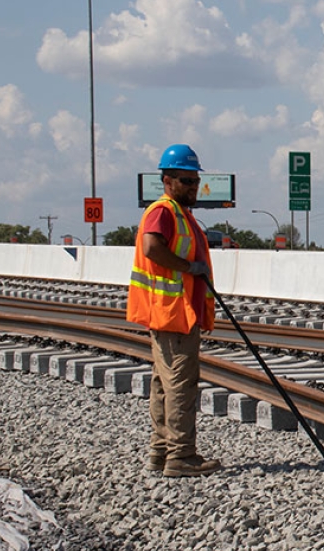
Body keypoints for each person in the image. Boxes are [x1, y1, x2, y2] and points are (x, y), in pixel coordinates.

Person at [127, 143, 221, 478]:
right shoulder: (163, 212)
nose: (193, 187)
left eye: (195, 181)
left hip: (176, 312)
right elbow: (153, 248)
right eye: (186, 181)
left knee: (164, 384)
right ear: (167, 181)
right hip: (172, 313)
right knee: (180, 384)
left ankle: (160, 452)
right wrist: (188, 267)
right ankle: (181, 455)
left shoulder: (181, 215)